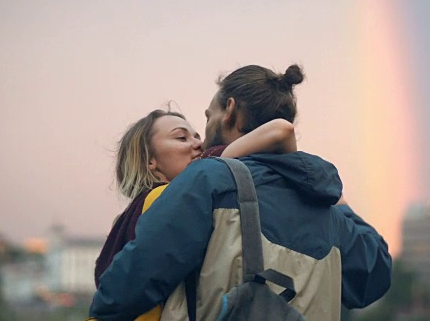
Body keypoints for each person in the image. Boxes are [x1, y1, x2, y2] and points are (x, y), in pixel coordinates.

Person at [89, 64, 392, 320]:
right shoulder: (325, 208)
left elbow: (123, 289)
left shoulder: (208, 178)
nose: (200, 140)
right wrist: (337, 202)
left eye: (206, 118)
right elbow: (375, 276)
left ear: (230, 111)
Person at [93, 110, 298, 320]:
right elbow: (281, 131)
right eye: (181, 137)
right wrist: (213, 163)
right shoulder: (167, 198)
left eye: (197, 136)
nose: (198, 144)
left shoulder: (130, 215)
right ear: (149, 160)